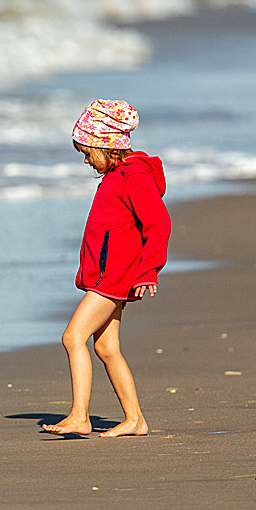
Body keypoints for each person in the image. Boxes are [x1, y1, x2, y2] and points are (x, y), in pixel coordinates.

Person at [43, 100, 171, 438]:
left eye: (88, 153)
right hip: (109, 275)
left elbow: (158, 223)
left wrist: (148, 270)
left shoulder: (132, 176)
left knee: (72, 337)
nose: (86, 161)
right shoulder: (118, 175)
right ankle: (135, 420)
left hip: (115, 277)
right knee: (105, 347)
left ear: (106, 146)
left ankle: (79, 416)